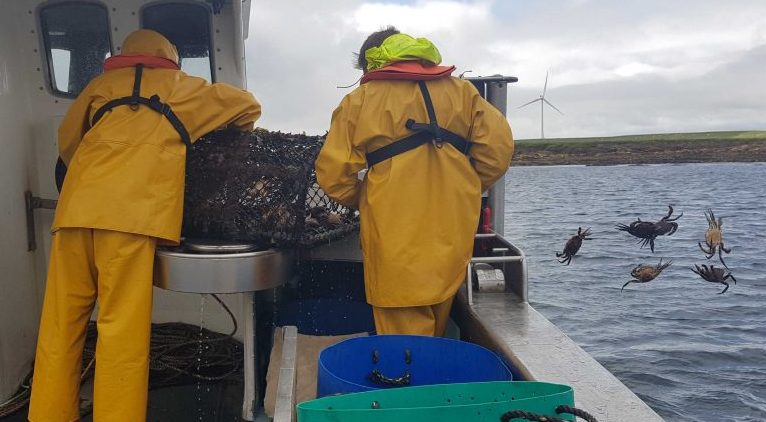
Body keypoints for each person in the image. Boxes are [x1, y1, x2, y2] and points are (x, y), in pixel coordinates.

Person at [28, 29, 261, 422]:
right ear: (170, 60)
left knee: (60, 323)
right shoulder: (186, 87)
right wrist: (211, 134)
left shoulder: (100, 86)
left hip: (77, 210)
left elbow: (68, 142)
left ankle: (48, 415)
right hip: (131, 218)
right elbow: (248, 106)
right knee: (121, 330)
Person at [315, 28, 513, 337]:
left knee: (404, 340)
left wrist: (367, 198)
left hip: (394, 234)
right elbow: (497, 154)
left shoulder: (360, 100)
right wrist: (462, 188)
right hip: (453, 228)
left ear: (372, 63)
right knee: (437, 316)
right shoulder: (463, 92)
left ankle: (412, 370)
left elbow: (334, 175)